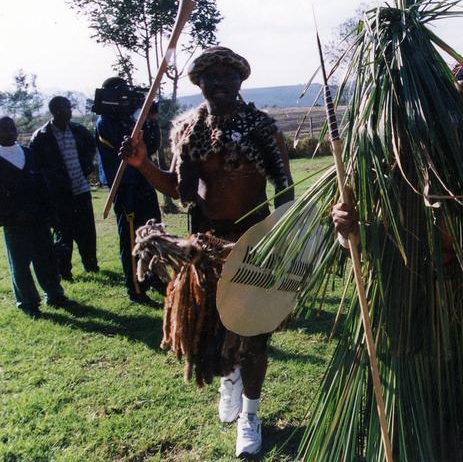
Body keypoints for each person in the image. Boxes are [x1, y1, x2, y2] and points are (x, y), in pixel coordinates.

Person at [119, 47, 294, 458]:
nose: (219, 83)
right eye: (210, 77)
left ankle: (250, 413)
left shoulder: (261, 128)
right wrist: (143, 163)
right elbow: (180, 192)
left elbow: (285, 189)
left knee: (254, 334)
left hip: (254, 243)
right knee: (218, 331)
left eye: (227, 76)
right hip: (207, 248)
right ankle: (229, 380)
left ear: (240, 81)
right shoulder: (188, 131)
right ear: (199, 84)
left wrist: (283, 235)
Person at [95, 77, 163, 305]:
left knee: (154, 231)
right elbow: (124, 147)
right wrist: (137, 122)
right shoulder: (105, 122)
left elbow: (151, 145)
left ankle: (155, 276)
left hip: (144, 181)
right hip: (124, 186)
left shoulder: (133, 117)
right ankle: (135, 289)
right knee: (131, 237)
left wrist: (149, 119)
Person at [0, 117, 71, 318]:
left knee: (46, 258)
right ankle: (28, 302)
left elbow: (42, 185)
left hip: (38, 217)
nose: (9, 132)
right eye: (3, 129)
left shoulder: (28, 154)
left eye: (12, 128)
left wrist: (51, 215)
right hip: (15, 222)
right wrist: (11, 214)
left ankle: (55, 294)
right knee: (20, 264)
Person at [29, 96, 98, 281]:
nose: (70, 111)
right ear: (57, 111)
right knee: (64, 234)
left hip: (81, 190)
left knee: (87, 232)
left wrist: (87, 167)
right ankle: (64, 271)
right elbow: (37, 169)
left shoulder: (78, 130)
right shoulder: (41, 137)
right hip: (59, 195)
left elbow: (91, 148)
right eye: (67, 108)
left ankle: (91, 265)